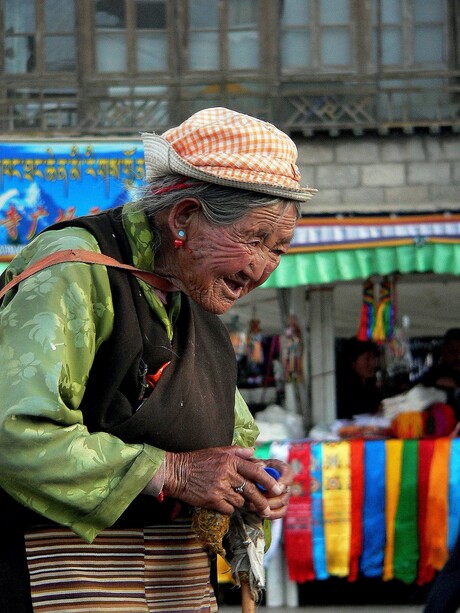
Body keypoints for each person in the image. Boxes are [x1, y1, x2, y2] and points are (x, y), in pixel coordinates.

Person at [0, 107, 317, 612]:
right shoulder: (73, 270)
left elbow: (230, 440)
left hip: (179, 582)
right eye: (253, 239)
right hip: (70, 576)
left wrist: (250, 484)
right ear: (184, 217)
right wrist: (171, 472)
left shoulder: (193, 289)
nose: (260, 270)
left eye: (278, 249)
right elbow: (12, 432)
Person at [336, 337, 383, 420]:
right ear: (352, 361)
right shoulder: (342, 390)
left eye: (374, 358)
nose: (373, 364)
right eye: (367, 359)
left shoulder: (371, 386)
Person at [418, 327, 460, 419]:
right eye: (453, 352)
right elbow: (419, 391)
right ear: (444, 350)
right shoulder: (436, 373)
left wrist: (457, 390)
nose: (458, 357)